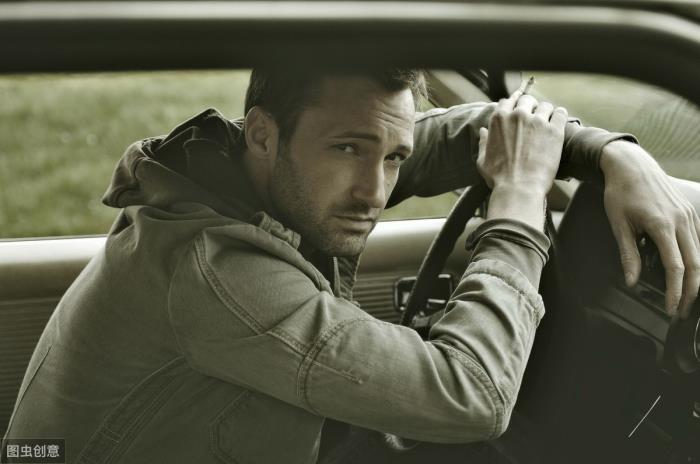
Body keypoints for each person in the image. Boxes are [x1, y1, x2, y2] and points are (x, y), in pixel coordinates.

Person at [4, 68, 699, 463]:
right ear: (263, 134)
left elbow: (452, 137)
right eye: (348, 150)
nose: (374, 190)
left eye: (392, 158)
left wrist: (615, 152)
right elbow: (472, 395)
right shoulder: (216, 270)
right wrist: (517, 203)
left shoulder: (245, 179)